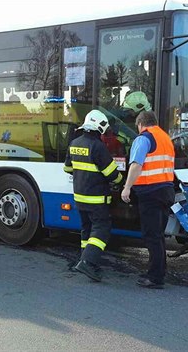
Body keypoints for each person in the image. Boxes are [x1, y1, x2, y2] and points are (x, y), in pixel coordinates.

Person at [64, 110, 123, 282]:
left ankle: (86, 260)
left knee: (87, 229)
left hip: (79, 197)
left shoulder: (74, 143)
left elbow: (67, 168)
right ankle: (87, 262)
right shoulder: (98, 147)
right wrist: (121, 181)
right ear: (99, 127)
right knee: (102, 228)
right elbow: (112, 174)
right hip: (96, 198)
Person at [120, 111, 175, 289]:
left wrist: (127, 187)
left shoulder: (144, 139)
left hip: (151, 193)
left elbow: (136, 164)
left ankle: (155, 277)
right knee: (158, 236)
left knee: (152, 236)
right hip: (166, 191)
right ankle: (157, 272)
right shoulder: (165, 138)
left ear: (140, 124)